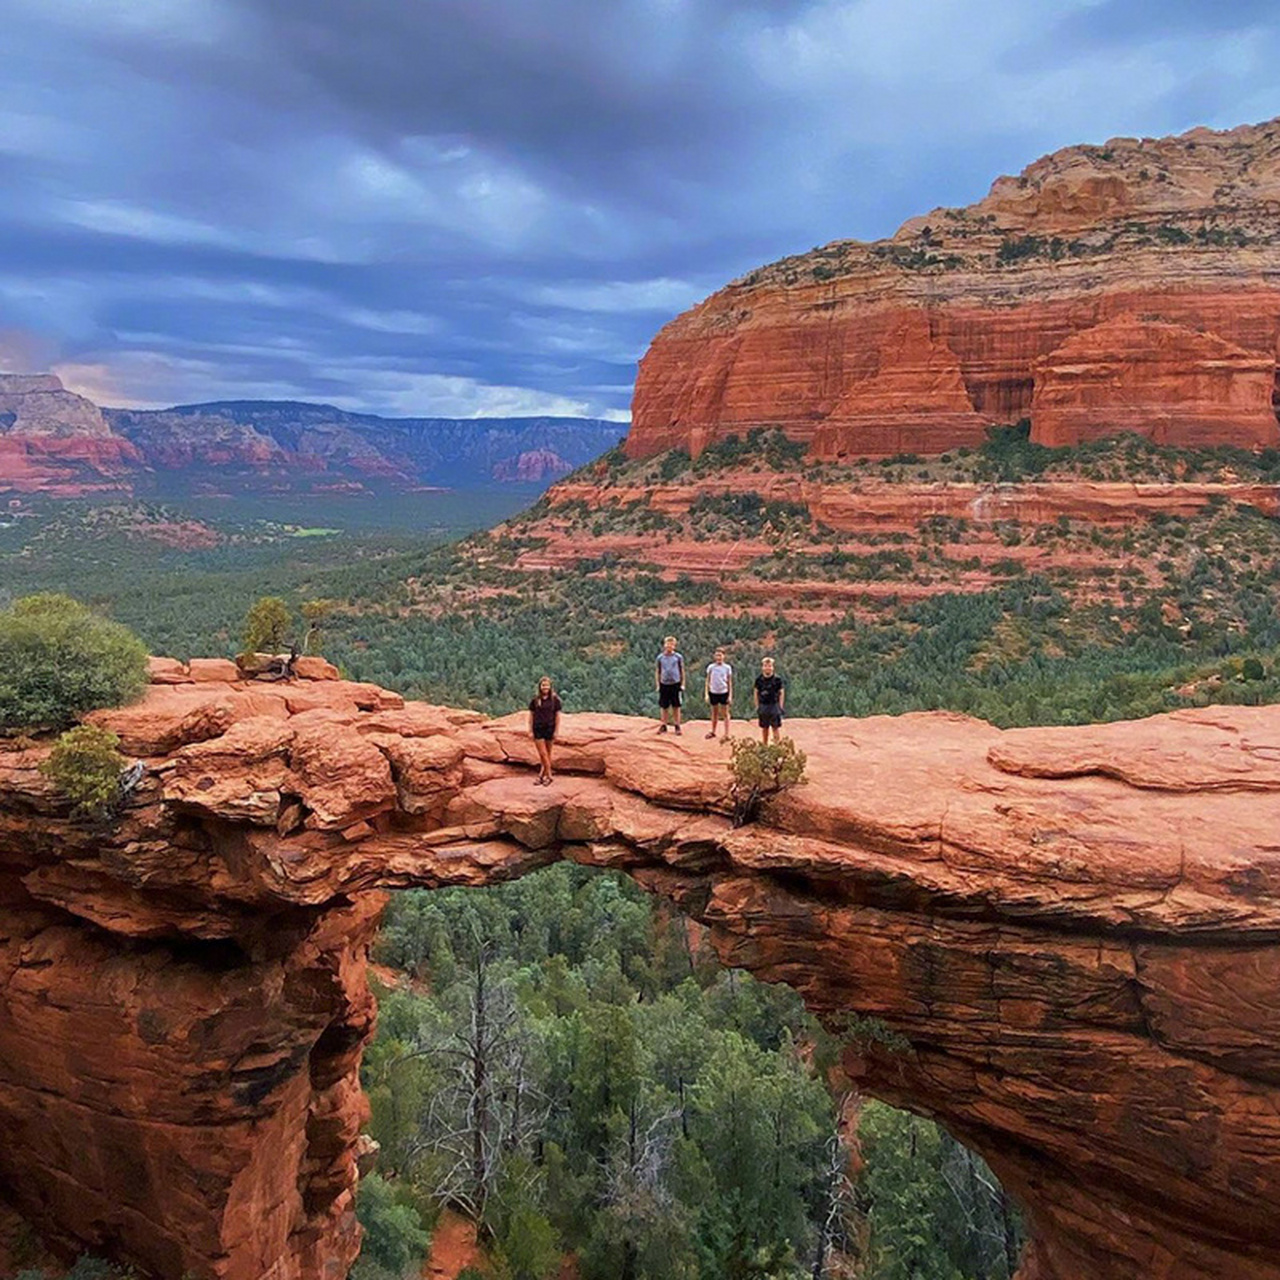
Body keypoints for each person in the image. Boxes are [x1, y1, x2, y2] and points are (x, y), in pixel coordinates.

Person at [528, 676, 561, 785]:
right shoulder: (535, 700)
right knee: (543, 754)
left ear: (550, 686)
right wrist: (530, 730)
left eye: (547, 685)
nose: (545, 687)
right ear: (540, 687)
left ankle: (541, 776)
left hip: (550, 728)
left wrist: (556, 730)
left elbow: (557, 716)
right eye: (543, 685)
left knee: (547, 754)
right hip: (538, 728)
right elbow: (531, 715)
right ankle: (549, 776)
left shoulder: (555, 700)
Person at [654, 635, 685, 734]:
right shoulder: (660, 657)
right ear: (664, 645)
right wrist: (658, 684)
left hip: (675, 684)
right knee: (664, 706)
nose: (669, 646)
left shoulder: (678, 657)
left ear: (674, 646)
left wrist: (683, 684)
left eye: (671, 644)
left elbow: (682, 670)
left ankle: (677, 725)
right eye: (668, 644)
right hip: (664, 684)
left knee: (676, 705)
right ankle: (664, 725)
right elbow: (658, 671)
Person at [753, 656, 786, 744]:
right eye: (765, 666)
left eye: (769, 666)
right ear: (762, 667)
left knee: (775, 728)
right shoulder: (759, 680)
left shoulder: (777, 680)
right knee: (765, 728)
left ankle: (777, 746)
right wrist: (757, 706)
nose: (767, 668)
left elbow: (782, 692)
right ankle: (765, 746)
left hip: (774, 705)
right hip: (763, 705)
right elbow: (756, 692)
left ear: (773, 667)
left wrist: (780, 706)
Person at [704, 646, 734, 740]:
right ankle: (713, 731)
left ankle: (727, 734)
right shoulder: (711, 667)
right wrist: (706, 694)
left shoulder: (727, 668)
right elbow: (707, 681)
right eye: (717, 655)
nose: (718, 657)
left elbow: (729, 682)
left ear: (724, 656)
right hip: (713, 692)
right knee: (714, 713)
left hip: (724, 692)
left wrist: (730, 695)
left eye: (720, 655)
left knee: (725, 713)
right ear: (714, 656)